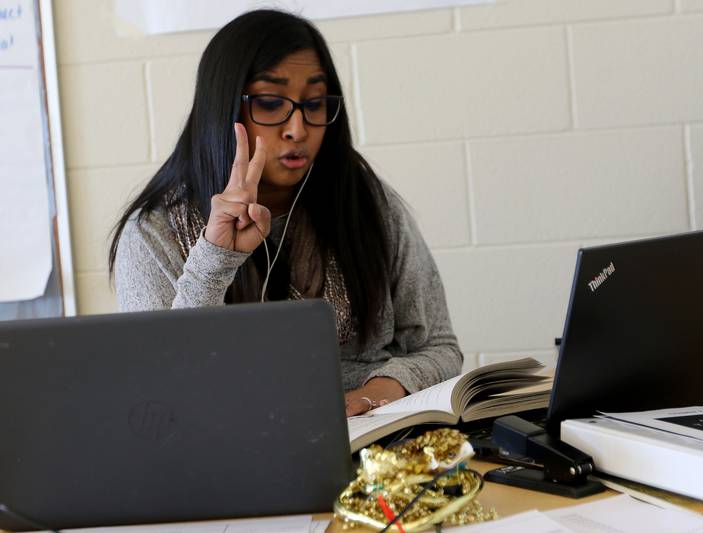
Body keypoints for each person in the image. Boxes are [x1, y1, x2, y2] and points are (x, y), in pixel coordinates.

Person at [108, 9, 463, 416]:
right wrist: (214, 258)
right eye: (271, 103)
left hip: (374, 441)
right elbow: (163, 393)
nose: (298, 128)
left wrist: (383, 387)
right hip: (234, 453)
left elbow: (440, 347)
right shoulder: (154, 232)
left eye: (314, 103)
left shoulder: (365, 202)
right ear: (222, 108)